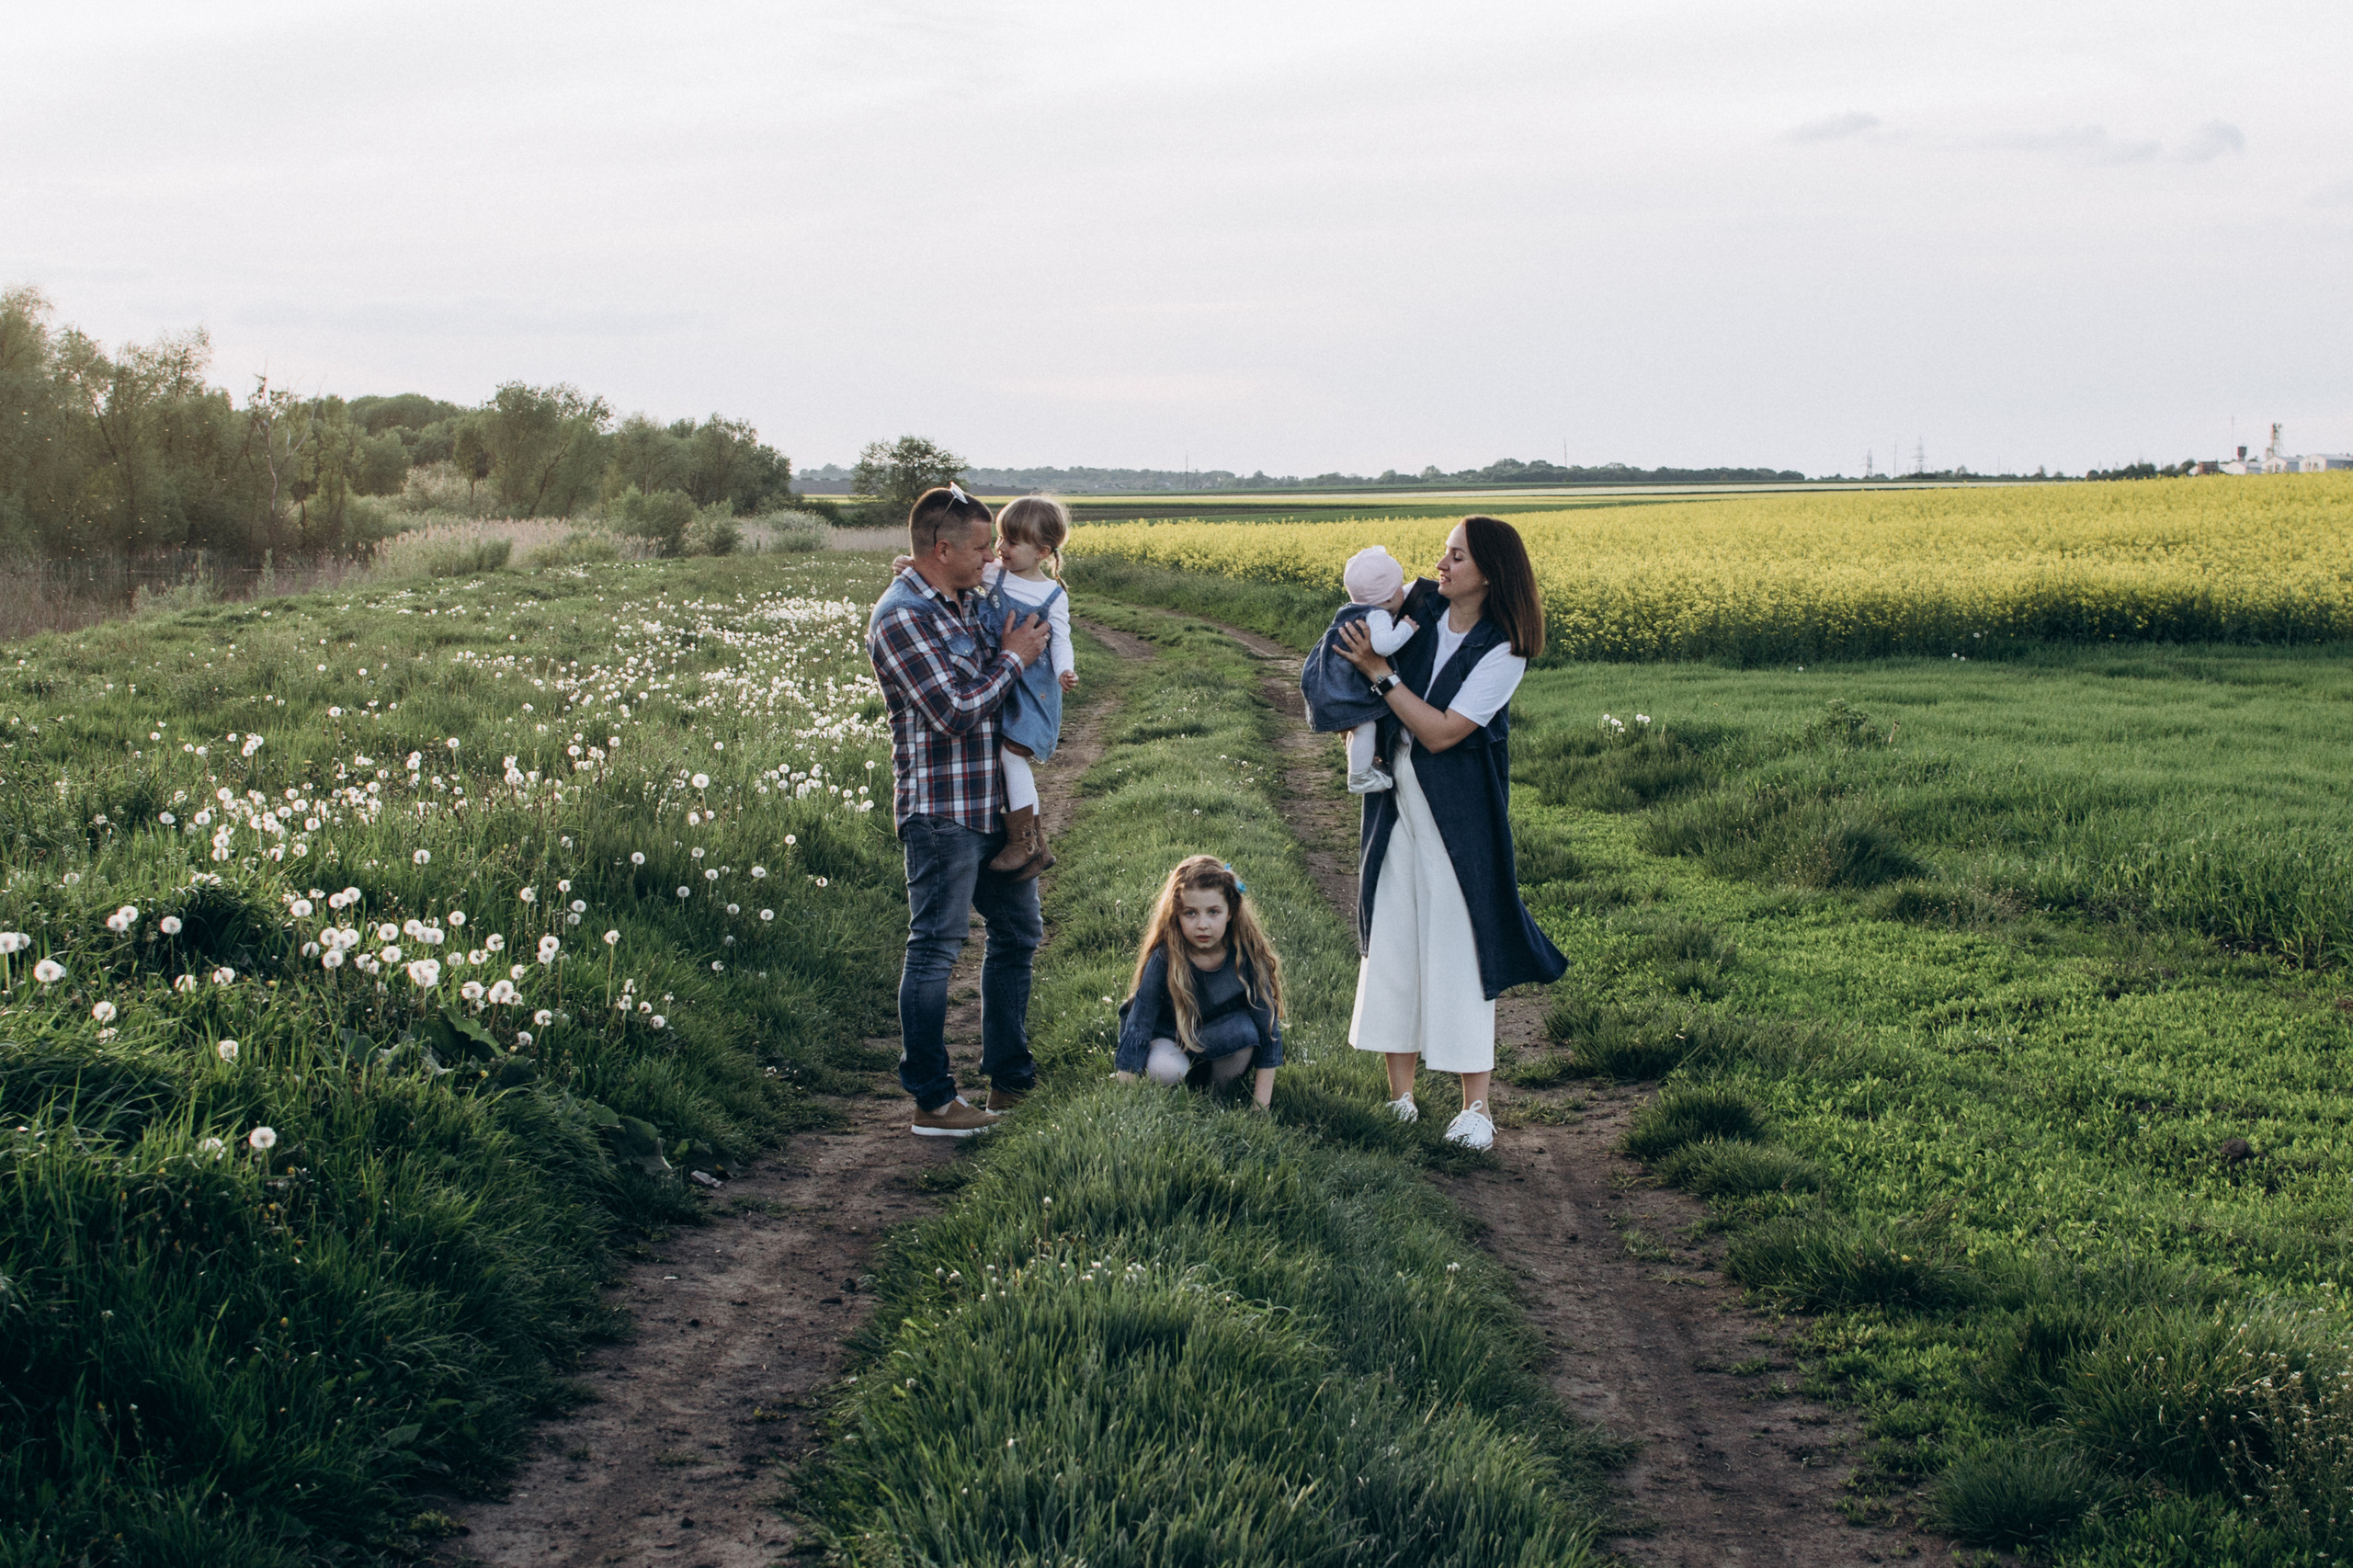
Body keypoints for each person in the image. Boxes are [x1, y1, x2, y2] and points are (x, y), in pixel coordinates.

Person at [1333, 516, 1567, 1150]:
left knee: (1460, 946)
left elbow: (1440, 732)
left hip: (1460, 817)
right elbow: (1360, 614)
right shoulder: (1423, 609)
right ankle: (1400, 1100)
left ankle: (1476, 1109)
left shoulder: (1504, 649)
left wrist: (1381, 675)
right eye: (1443, 553)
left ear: (1488, 572)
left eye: (1455, 556)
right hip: (1396, 800)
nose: (1441, 565)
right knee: (1394, 933)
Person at [867, 483, 1053, 1138]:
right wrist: (1015, 658)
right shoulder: (900, 617)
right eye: (979, 548)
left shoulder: (963, 596)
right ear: (941, 549)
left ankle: (1010, 1083)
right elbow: (952, 712)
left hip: (995, 809)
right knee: (936, 951)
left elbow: (1015, 582)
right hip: (942, 811)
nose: (990, 558)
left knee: (1017, 937)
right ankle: (933, 1101)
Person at [1112, 856, 1284, 1108]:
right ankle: (1175, 1090)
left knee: (1246, 1035)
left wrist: (1261, 1107)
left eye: (1213, 912)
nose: (1202, 925)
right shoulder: (1166, 956)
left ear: (1230, 912)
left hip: (1219, 1037)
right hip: (1170, 1036)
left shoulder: (1246, 956)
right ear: (1176, 914)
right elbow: (1140, 1022)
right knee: (1168, 1070)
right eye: (1190, 913)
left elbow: (1268, 1029)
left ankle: (1215, 1097)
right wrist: (1124, 1095)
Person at [978, 495, 1079, 876]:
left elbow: (1061, 639)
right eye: (1000, 538)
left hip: (1034, 691)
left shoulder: (1053, 595)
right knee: (1001, 754)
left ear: (1042, 552)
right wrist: (910, 568)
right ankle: (1037, 847)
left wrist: (1064, 671)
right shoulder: (995, 576)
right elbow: (960, 575)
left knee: (1011, 754)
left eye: (1011, 542)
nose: (999, 549)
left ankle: (1024, 842)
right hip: (1002, 679)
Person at [1298, 545, 1429, 793]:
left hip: (1324, 681)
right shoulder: (1377, 615)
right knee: (1365, 726)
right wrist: (1407, 629)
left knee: (1356, 728)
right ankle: (1359, 777)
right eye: (1400, 587)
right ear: (1390, 597)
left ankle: (1362, 767)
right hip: (1343, 688)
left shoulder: (1348, 610)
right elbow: (1383, 646)